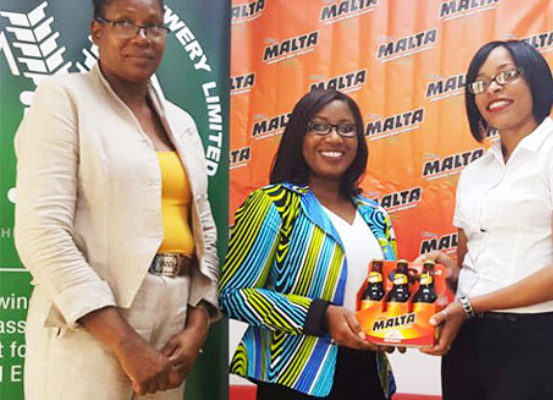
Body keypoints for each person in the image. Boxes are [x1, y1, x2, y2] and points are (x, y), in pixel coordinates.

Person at [13, 0, 219, 398]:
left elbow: (204, 231)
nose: (142, 38)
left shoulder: (181, 122)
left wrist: (198, 323)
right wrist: (125, 343)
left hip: (172, 325)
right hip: (90, 327)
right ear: (97, 31)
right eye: (125, 23)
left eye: (153, 26)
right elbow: (43, 233)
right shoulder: (63, 99)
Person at [420, 40, 553, 400]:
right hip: (466, 336)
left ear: (535, 79)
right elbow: (472, 264)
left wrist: (471, 305)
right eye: (481, 82)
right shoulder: (473, 172)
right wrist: (450, 273)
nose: (493, 88)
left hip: (532, 340)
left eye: (506, 75)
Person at [219, 89, 399, 399]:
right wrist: (320, 315)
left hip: (369, 376)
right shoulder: (273, 204)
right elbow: (232, 295)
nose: (335, 138)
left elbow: (386, 296)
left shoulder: (375, 215)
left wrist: (398, 325)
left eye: (347, 129)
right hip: (294, 380)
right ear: (298, 136)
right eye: (319, 126)